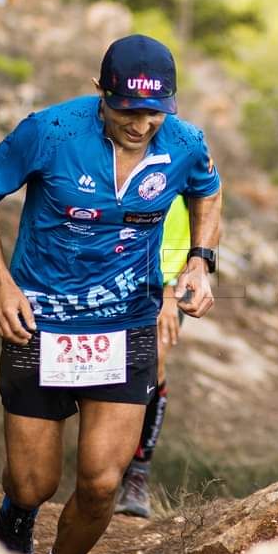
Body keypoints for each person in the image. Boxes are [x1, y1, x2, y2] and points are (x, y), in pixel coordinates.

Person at [0, 34, 222, 554]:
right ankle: (18, 512)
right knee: (34, 483)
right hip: (39, 321)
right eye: (128, 108)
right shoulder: (50, 131)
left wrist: (199, 259)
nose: (141, 123)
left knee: (103, 483)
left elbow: (208, 190)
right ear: (99, 92)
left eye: (155, 112)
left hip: (126, 323)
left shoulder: (186, 142)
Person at [114, 195, 191, 517]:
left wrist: (172, 291)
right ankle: (103, 470)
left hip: (165, 286)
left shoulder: (189, 153)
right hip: (113, 276)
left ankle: (138, 475)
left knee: (152, 362)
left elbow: (208, 225)